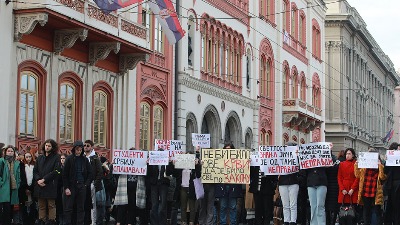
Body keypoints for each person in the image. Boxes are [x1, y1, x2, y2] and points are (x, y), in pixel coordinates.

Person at [63, 141, 93, 225]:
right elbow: (64, 174)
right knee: (69, 207)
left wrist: (86, 184)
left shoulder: (85, 159)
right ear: (74, 149)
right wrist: (66, 187)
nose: (79, 151)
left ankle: (80, 223)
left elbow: (90, 173)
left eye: (80, 150)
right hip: (71, 186)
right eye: (77, 150)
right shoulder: (69, 159)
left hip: (81, 185)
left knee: (81, 207)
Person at [354, 148, 386, 225]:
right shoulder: (364, 167)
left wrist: (380, 166)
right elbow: (357, 175)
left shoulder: (379, 166)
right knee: (366, 210)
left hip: (376, 191)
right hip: (366, 190)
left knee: (377, 210)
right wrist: (356, 164)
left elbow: (382, 177)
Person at [34, 139, 61, 225]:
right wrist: (38, 180)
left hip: (50, 184)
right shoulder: (40, 158)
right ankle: (42, 220)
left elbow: (56, 171)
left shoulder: (56, 157)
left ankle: (51, 221)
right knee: (41, 205)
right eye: (46, 145)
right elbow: (35, 171)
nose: (47, 147)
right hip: (40, 185)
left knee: (51, 205)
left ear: (52, 147)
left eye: (49, 146)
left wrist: (44, 179)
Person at [215, 143, 243, 225]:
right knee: (223, 206)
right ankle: (223, 223)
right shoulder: (219, 161)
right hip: (222, 186)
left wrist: (247, 163)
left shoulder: (238, 160)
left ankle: (233, 223)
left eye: (229, 150)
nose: (228, 152)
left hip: (233, 186)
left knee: (233, 207)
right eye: (226, 150)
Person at [173, 150, 201, 225]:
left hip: (191, 188)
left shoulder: (194, 167)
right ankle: (183, 221)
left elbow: (198, 175)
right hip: (183, 187)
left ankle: (191, 222)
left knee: (192, 207)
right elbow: (175, 174)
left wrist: (197, 165)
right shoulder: (181, 166)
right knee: (183, 206)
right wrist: (174, 164)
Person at [148, 148, 174, 225]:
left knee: (163, 205)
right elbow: (149, 173)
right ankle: (154, 223)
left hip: (163, 184)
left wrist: (169, 163)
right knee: (154, 205)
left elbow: (170, 173)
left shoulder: (166, 163)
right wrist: (148, 164)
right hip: (154, 184)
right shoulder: (153, 162)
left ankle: (162, 222)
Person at [302, 155, 329, 225]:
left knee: (320, 205)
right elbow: (303, 168)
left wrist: (329, 151)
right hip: (311, 183)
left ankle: (321, 223)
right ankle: (313, 223)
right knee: (313, 206)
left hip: (321, 182)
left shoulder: (323, 153)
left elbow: (329, 164)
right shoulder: (308, 156)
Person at [278, 142, 300, 225]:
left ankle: (293, 221)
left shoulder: (297, 158)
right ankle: (286, 221)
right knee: (285, 204)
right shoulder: (281, 157)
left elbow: (301, 168)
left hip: (293, 182)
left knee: (293, 204)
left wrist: (298, 178)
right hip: (283, 183)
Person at [0, 145, 22, 225]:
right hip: (3, 189)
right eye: (8, 151)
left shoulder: (17, 163)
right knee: (3, 208)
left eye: (11, 151)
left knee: (10, 209)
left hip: (13, 188)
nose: (10, 152)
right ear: (5, 152)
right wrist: (1, 184)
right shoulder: (1, 161)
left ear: (14, 153)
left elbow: (19, 176)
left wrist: (18, 183)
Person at [83, 140, 103, 225]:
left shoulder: (95, 158)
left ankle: (93, 221)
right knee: (83, 203)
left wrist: (95, 184)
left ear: (91, 147)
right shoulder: (82, 157)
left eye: (88, 145)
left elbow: (100, 172)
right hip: (83, 184)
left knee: (93, 204)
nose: (86, 147)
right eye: (85, 145)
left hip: (91, 184)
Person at [337, 148, 358, 225]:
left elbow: (357, 177)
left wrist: (353, 188)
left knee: (353, 212)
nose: (347, 155)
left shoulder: (356, 164)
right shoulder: (341, 164)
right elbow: (339, 177)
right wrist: (342, 189)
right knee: (343, 213)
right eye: (346, 154)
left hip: (352, 190)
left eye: (349, 154)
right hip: (344, 190)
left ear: (353, 155)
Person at [384, 142, 400, 225]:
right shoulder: (390, 161)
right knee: (393, 206)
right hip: (393, 185)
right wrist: (387, 160)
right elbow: (385, 171)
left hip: (395, 184)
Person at [21, 151, 37, 225]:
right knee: (24, 205)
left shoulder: (34, 165)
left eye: (29, 157)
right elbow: (22, 177)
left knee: (32, 205)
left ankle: (32, 220)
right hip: (24, 188)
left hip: (33, 188)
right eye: (26, 157)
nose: (28, 158)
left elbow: (35, 177)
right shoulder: (22, 166)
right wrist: (26, 188)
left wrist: (30, 188)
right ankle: (25, 221)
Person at [56, 153, 67, 225]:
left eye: (63, 158)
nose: (62, 160)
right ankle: (60, 221)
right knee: (59, 205)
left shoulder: (68, 167)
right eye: (61, 158)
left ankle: (65, 221)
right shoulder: (58, 167)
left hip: (65, 188)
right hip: (58, 188)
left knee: (65, 205)